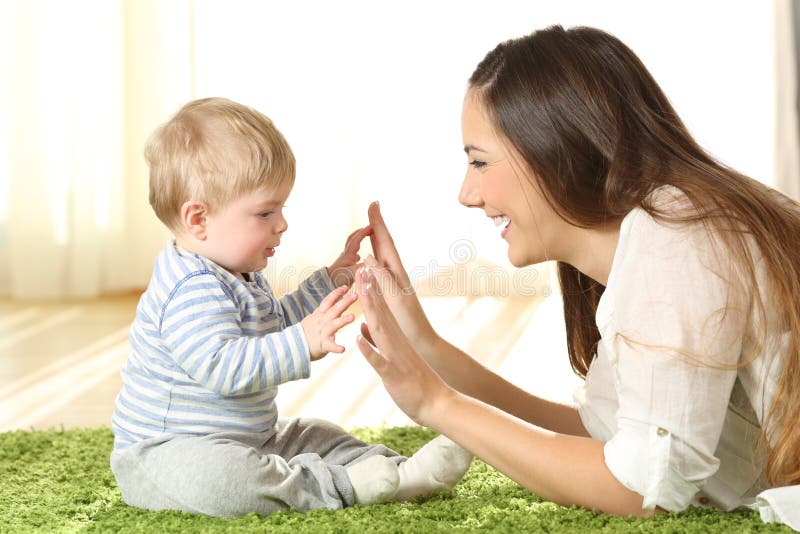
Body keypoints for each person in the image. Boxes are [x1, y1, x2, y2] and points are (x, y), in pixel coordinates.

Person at [353, 25, 800, 530]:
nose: (467, 193)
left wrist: (438, 405)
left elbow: (641, 487)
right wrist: (424, 343)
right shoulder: (658, 235)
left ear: (554, 151)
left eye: (479, 162)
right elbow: (606, 442)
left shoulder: (680, 239)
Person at [109, 97, 472, 518]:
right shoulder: (187, 286)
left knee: (318, 435)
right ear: (198, 220)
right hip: (169, 453)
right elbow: (223, 367)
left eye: (281, 208)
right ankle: (343, 486)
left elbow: (273, 323)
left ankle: (400, 472)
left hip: (250, 436)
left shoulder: (236, 272)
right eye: (265, 212)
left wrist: (330, 280)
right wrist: (303, 342)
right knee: (226, 482)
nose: (281, 224)